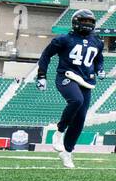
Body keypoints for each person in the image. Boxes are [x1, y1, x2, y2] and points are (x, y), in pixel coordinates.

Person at [36, 9, 105, 169]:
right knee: (76, 100)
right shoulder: (64, 39)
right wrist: (41, 75)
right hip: (67, 75)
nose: (87, 25)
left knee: (80, 119)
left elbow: (99, 59)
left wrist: (100, 69)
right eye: (84, 21)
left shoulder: (97, 41)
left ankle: (67, 152)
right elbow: (46, 55)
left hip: (86, 80)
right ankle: (59, 132)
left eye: (90, 22)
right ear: (75, 22)